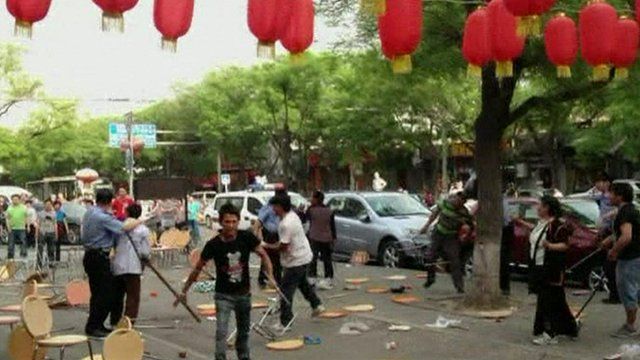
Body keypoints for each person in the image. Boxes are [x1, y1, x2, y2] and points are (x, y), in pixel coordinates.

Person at [178, 203, 274, 360]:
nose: (231, 225)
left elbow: (264, 255)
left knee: (243, 332)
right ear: (220, 222)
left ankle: (243, 356)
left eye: (234, 221)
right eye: (227, 222)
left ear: (238, 221)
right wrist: (184, 290)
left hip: (244, 295)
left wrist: (271, 276)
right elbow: (197, 268)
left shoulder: (246, 237)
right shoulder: (213, 244)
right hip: (223, 296)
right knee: (221, 331)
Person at [514, 196, 578, 345]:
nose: (538, 209)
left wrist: (550, 246)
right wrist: (521, 222)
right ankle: (568, 328)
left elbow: (565, 245)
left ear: (548, 208)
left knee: (547, 301)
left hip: (550, 269)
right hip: (538, 267)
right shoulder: (542, 224)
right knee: (556, 300)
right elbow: (536, 231)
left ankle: (550, 332)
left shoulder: (556, 225)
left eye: (541, 206)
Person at [82, 189, 141, 338]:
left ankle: (95, 324)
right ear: (109, 202)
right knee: (106, 293)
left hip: (90, 255)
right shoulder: (103, 217)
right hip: (99, 256)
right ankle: (94, 325)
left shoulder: (90, 212)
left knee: (97, 293)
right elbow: (123, 228)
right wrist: (139, 220)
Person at [270, 194, 324, 333]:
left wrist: (266, 246)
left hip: (295, 260)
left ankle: (285, 321)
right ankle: (316, 304)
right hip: (304, 256)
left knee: (285, 292)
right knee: (302, 283)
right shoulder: (292, 216)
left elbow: (283, 246)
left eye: (274, 207)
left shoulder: (286, 224)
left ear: (280, 207)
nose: (273, 210)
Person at [601, 183, 640, 338]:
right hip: (634, 256)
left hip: (630, 258)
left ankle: (630, 326)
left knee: (627, 291)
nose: (608, 196)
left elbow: (627, 236)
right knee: (634, 290)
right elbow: (625, 233)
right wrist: (608, 240)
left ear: (620, 196)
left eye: (611, 193)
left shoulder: (625, 213)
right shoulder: (631, 211)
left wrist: (614, 251)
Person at [420, 191, 473, 293]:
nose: (457, 203)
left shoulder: (463, 212)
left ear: (463, 202)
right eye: (457, 200)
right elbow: (434, 214)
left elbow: (470, 225)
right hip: (438, 232)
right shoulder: (445, 203)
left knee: (455, 261)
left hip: (451, 237)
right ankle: (430, 279)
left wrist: (465, 233)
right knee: (430, 257)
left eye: (461, 202)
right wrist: (426, 226)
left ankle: (459, 286)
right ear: (455, 198)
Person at [111, 203, 150, 325]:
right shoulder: (143, 230)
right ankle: (129, 322)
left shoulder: (119, 227)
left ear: (127, 213)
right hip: (133, 266)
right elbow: (145, 251)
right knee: (133, 296)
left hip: (118, 265)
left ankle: (115, 320)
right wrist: (146, 258)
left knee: (117, 295)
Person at [592, 173, 620, 304]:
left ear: (607, 182)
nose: (598, 185)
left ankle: (616, 294)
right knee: (607, 265)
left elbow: (619, 210)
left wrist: (607, 217)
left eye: (600, 182)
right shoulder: (602, 197)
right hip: (604, 232)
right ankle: (614, 293)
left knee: (611, 265)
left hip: (612, 232)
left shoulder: (612, 197)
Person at [254, 189, 286, 288]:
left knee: (277, 259)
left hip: (279, 234)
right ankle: (263, 279)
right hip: (269, 235)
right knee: (267, 257)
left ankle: (277, 279)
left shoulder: (283, 208)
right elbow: (258, 223)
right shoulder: (268, 207)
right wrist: (256, 239)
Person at [306, 190, 337, 290]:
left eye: (312, 198)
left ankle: (312, 278)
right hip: (327, 238)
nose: (311, 200)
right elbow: (332, 226)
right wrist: (334, 238)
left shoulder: (311, 210)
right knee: (327, 259)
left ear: (316, 199)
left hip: (314, 237)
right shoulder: (329, 210)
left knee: (313, 258)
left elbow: (306, 221)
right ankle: (328, 278)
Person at [37, 199, 58, 269]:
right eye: (46, 204)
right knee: (40, 249)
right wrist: (37, 233)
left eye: (49, 204)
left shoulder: (54, 213)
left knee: (51, 249)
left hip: (51, 232)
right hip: (42, 232)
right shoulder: (40, 213)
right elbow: (38, 224)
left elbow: (55, 224)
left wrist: (56, 233)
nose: (48, 206)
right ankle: (39, 264)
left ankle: (51, 263)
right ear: (44, 205)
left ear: (51, 205)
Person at [6, 194, 28, 259]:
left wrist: (27, 225)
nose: (15, 201)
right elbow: (7, 218)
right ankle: (10, 257)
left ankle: (23, 256)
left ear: (19, 200)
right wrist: (8, 227)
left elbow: (26, 217)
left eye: (16, 199)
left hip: (21, 228)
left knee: (23, 242)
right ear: (12, 200)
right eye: (13, 199)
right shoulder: (9, 208)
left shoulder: (24, 207)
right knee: (11, 244)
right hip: (12, 228)